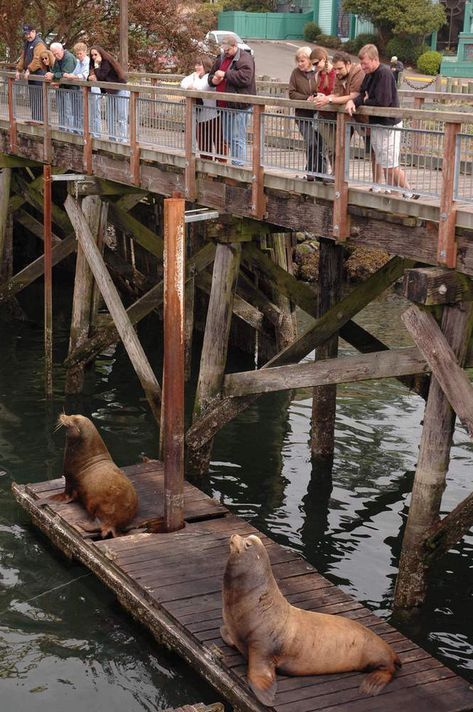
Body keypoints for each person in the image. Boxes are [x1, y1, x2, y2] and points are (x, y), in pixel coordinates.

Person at [345, 44, 419, 199]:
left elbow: (382, 101)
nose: (362, 67)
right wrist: (354, 102)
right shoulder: (369, 74)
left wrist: (365, 100)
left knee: (390, 164)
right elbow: (362, 94)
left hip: (389, 123)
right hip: (377, 123)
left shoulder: (384, 73)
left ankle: (409, 190)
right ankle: (393, 191)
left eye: (365, 63)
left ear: (374, 60)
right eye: (361, 63)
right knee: (384, 161)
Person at [208, 34, 256, 166]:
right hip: (224, 105)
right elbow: (211, 74)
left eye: (228, 50)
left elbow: (246, 78)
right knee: (228, 137)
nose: (225, 52)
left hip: (239, 106)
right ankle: (236, 162)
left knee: (237, 138)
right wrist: (213, 80)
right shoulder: (221, 58)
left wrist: (225, 74)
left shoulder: (245, 59)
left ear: (235, 46)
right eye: (224, 50)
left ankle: (238, 165)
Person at [288, 46, 325, 182]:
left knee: (321, 143)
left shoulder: (317, 73)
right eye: (298, 61)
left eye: (302, 61)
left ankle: (321, 173)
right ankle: (310, 170)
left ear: (310, 61)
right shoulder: (295, 73)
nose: (300, 64)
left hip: (318, 114)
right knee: (311, 142)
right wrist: (306, 98)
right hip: (302, 114)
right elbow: (291, 93)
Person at [180, 56, 226, 161]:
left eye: (199, 65)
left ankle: (222, 164)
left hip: (214, 116)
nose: (197, 67)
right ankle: (206, 167)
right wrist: (194, 79)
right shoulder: (195, 76)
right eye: (196, 64)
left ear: (206, 65)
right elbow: (183, 83)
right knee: (203, 144)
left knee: (218, 142)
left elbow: (199, 87)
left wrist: (194, 80)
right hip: (200, 118)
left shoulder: (208, 78)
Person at [88, 46, 129, 142]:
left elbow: (101, 76)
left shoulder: (106, 62)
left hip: (120, 90)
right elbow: (91, 76)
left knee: (121, 116)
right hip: (110, 92)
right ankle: (112, 138)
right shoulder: (95, 64)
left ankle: (123, 139)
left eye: (95, 54)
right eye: (92, 55)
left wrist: (97, 65)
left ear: (101, 53)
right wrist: (90, 77)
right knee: (110, 116)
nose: (94, 57)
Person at [309, 46, 335, 177]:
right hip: (323, 115)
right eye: (313, 64)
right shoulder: (317, 75)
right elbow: (317, 91)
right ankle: (332, 173)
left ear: (323, 59)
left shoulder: (335, 72)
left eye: (316, 63)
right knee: (328, 147)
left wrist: (327, 98)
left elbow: (336, 92)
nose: (315, 67)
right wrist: (314, 96)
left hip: (335, 114)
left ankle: (336, 173)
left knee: (334, 146)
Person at [15, 24, 47, 122]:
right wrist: (18, 70)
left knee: (39, 98)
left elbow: (37, 59)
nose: (27, 36)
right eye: (26, 34)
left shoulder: (39, 44)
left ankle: (41, 121)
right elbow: (23, 57)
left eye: (29, 33)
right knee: (33, 98)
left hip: (38, 74)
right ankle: (35, 119)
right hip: (31, 75)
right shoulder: (27, 43)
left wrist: (29, 69)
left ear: (34, 32)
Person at [45, 42, 77, 132]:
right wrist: (52, 76)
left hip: (72, 89)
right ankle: (62, 129)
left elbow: (66, 73)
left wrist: (53, 76)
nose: (56, 55)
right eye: (54, 54)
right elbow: (55, 72)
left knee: (69, 111)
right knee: (62, 111)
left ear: (62, 50)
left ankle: (71, 131)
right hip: (62, 89)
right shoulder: (57, 59)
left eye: (57, 53)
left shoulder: (69, 58)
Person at [62, 42, 90, 134]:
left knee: (83, 112)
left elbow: (84, 75)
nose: (78, 56)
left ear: (85, 52)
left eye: (80, 53)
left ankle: (83, 132)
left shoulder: (87, 61)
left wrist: (73, 76)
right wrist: (69, 75)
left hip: (87, 89)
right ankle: (77, 130)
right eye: (77, 54)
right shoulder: (79, 62)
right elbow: (75, 72)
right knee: (77, 111)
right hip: (80, 89)